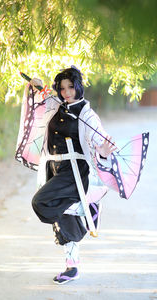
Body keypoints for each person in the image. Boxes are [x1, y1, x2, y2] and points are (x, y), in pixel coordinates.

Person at [17, 66, 116, 284]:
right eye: (62, 88)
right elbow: (42, 98)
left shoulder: (87, 115)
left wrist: (104, 151)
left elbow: (99, 140)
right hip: (54, 169)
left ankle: (82, 214)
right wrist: (35, 84)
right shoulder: (56, 105)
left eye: (71, 87)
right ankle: (72, 267)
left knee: (41, 202)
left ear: (78, 87)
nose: (66, 92)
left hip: (74, 172)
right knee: (64, 216)